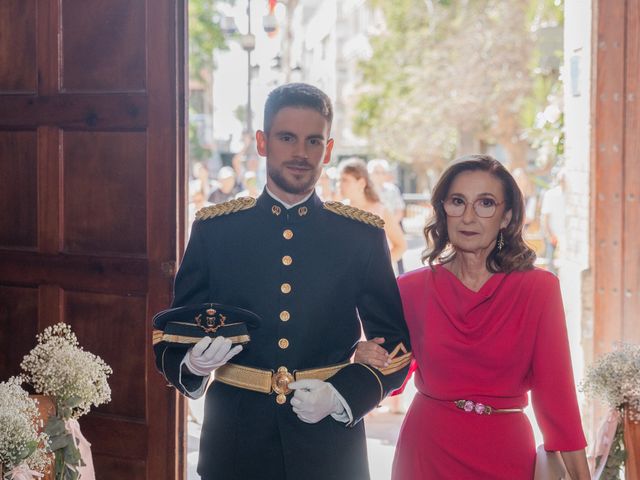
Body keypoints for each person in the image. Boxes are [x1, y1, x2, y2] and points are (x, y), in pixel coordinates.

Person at [153, 83, 412, 480]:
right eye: (287, 137)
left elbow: (396, 345)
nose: (300, 153)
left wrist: (342, 394)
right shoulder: (216, 230)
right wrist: (192, 362)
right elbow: (172, 333)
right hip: (235, 446)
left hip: (329, 447)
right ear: (262, 142)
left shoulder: (360, 236)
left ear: (327, 150)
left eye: (313, 141)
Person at [355, 154, 589, 479]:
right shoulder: (411, 288)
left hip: (506, 455)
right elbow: (392, 379)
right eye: (457, 202)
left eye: (486, 204)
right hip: (426, 454)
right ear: (443, 210)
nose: (468, 216)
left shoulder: (539, 289)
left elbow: (558, 401)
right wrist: (365, 359)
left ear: (506, 216)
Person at [338, 158, 407, 265]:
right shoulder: (339, 211)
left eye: (345, 180)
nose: (339, 185)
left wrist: (378, 267)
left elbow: (401, 246)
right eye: (339, 180)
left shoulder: (381, 211)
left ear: (361, 183)